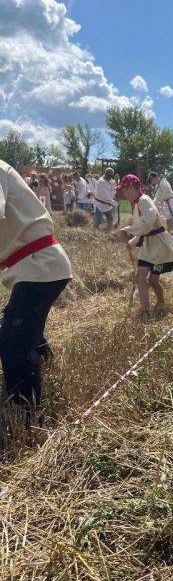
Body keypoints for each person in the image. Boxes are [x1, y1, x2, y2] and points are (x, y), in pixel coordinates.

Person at [0, 159, 72, 414]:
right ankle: (46, 366)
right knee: (24, 324)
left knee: (12, 342)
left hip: (40, 265)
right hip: (41, 264)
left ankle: (27, 414)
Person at [116, 174, 173, 319]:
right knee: (140, 277)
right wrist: (131, 242)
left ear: (131, 188)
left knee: (153, 281)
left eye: (124, 190)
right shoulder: (138, 203)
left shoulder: (144, 201)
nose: (123, 194)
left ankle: (161, 303)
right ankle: (145, 311)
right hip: (148, 247)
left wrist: (128, 230)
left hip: (160, 248)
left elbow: (148, 221)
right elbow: (143, 230)